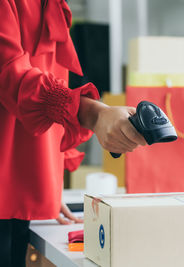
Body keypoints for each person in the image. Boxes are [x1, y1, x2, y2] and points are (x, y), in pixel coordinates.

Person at [0, 1, 146, 266]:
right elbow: (10, 76)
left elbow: (49, 75)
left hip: (17, 190)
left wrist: (47, 181)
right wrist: (91, 113)